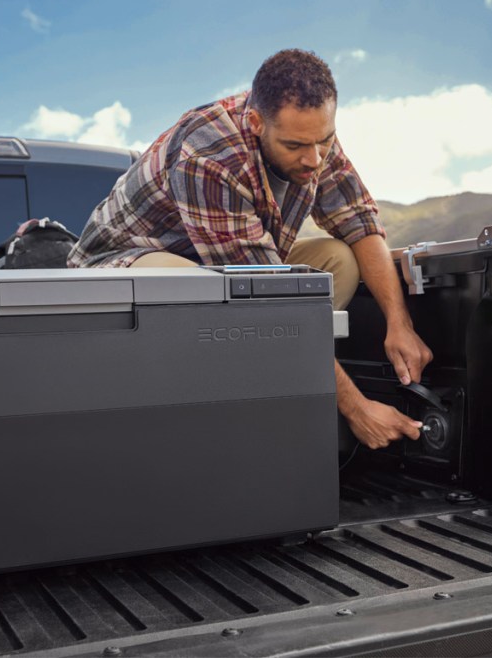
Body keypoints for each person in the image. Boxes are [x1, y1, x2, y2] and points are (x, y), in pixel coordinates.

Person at [68, 49, 432, 450]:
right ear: (257, 124)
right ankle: (233, 397)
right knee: (196, 288)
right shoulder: (209, 155)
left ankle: (272, 363)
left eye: (324, 141)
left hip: (229, 271)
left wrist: (399, 323)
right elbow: (266, 302)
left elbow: (359, 219)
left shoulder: (310, 132)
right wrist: (356, 408)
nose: (314, 159)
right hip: (122, 268)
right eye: (296, 146)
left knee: (337, 261)